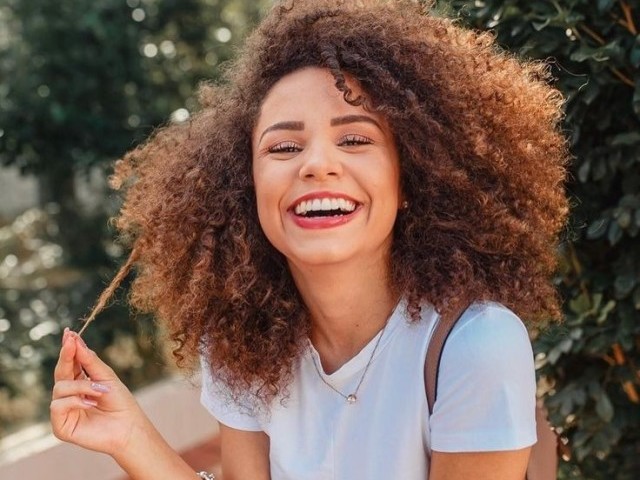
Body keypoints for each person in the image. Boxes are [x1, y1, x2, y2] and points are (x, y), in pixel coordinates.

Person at [50, 1, 569, 479]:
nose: (318, 164)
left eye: (355, 139)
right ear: (244, 186)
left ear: (410, 178)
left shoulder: (475, 346)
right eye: (284, 146)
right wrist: (132, 437)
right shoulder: (242, 342)